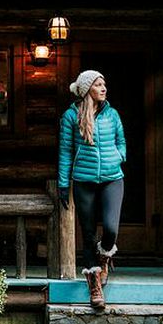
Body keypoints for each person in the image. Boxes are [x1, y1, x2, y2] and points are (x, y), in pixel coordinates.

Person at [57, 70, 125, 311]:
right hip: (83, 180)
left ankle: (105, 256)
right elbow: (65, 151)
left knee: (110, 228)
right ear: (88, 90)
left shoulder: (112, 114)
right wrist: (63, 184)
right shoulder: (70, 116)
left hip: (112, 179)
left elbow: (121, 141)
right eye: (98, 84)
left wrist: (119, 156)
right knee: (87, 233)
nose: (103, 87)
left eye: (104, 83)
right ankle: (94, 286)